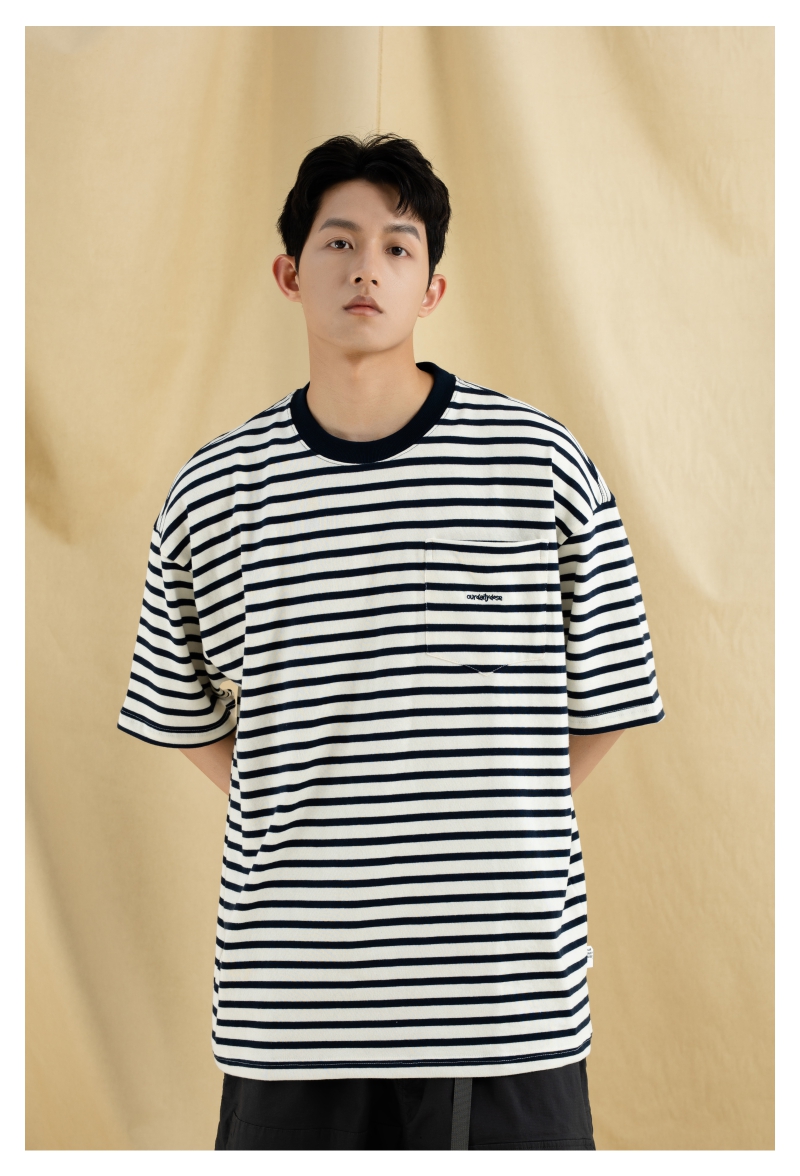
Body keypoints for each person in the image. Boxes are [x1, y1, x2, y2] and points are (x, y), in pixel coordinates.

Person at [118, 133, 664, 1150]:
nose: (366, 267)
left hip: (503, 1007)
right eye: (338, 242)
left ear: (432, 288)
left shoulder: (536, 465)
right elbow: (180, 712)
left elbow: (607, 702)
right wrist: (309, 804)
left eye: (397, 246)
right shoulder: (214, 492)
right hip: (291, 1005)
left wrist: (488, 808)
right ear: (289, 275)